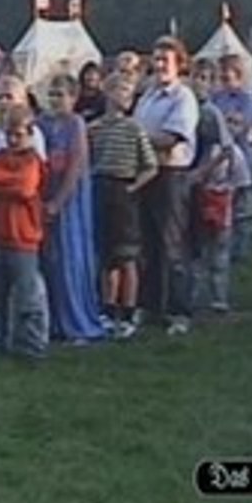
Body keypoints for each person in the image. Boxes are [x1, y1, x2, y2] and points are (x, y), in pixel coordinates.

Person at [0, 74, 48, 343]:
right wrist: (2, 182)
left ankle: (32, 341)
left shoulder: (33, 143)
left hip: (23, 230)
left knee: (28, 287)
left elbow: (27, 185)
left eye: (9, 96)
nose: (3, 102)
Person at [134, 36, 200, 335]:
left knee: (172, 244)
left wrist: (138, 140)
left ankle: (179, 310)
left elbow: (172, 138)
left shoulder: (183, 98)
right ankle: (150, 305)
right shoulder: (147, 97)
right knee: (148, 243)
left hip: (171, 176)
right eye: (156, 59)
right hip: (147, 174)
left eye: (166, 60)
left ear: (179, 65)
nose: (159, 65)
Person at [88, 73, 158, 339]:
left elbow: (150, 165)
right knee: (107, 257)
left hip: (124, 189)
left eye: (130, 93)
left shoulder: (134, 128)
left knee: (126, 256)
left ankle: (128, 311)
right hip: (101, 187)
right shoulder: (95, 128)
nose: (126, 98)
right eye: (121, 92)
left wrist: (132, 187)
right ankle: (108, 309)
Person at [37, 74, 106, 342]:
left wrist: (59, 201)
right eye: (52, 94)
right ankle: (51, 319)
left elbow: (76, 165)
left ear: (73, 98)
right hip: (46, 192)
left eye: (61, 95)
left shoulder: (76, 124)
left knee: (70, 257)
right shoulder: (42, 123)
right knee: (49, 259)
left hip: (70, 199)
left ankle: (77, 320)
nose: (55, 100)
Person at [190, 59, 251, 312]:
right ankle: (192, 296)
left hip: (215, 185)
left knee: (218, 244)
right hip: (191, 181)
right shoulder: (186, 106)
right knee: (194, 244)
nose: (200, 83)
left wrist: (203, 173)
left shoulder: (211, 113)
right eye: (197, 76)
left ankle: (218, 297)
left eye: (206, 78)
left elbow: (226, 149)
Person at [211, 54, 252, 260]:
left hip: (241, 156)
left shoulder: (248, 100)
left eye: (227, 75)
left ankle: (242, 248)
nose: (223, 79)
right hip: (219, 158)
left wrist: (226, 123)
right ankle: (224, 246)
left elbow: (242, 126)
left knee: (241, 205)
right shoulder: (216, 98)